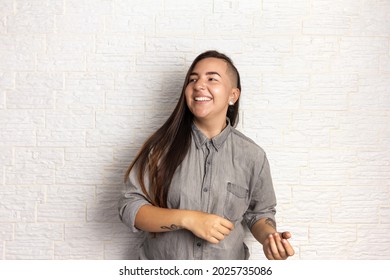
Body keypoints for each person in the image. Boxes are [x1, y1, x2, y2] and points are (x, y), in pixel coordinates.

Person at [118, 50, 294, 260]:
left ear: (233, 95)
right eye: (193, 79)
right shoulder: (160, 148)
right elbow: (130, 207)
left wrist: (269, 238)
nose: (199, 85)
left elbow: (260, 213)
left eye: (212, 78)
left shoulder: (253, 156)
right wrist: (189, 219)